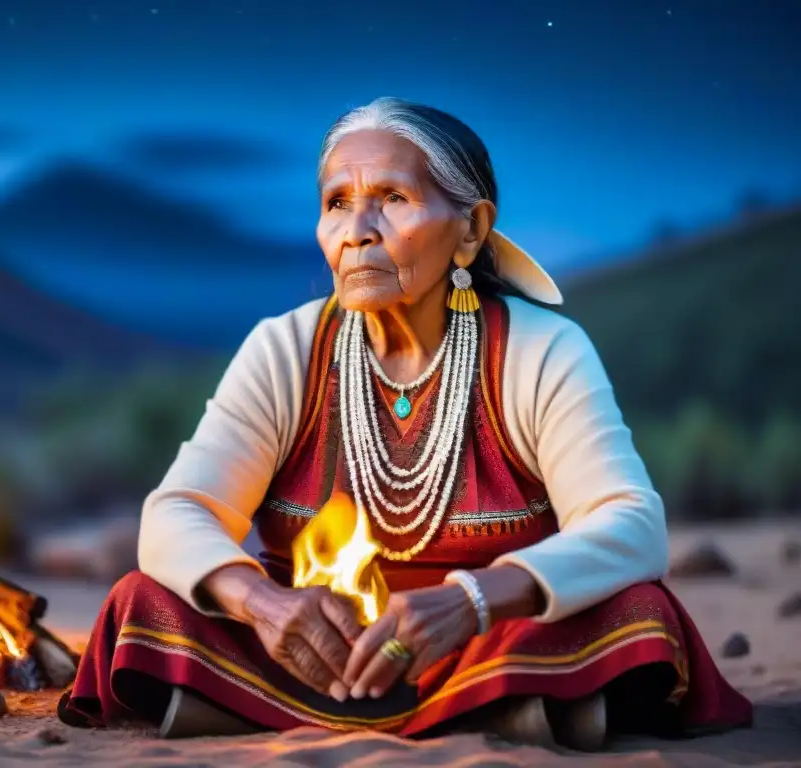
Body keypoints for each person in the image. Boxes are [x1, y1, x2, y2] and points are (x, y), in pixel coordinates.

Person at [58, 98, 752, 750]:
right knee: (142, 602)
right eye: (337, 204)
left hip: (483, 640)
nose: (358, 230)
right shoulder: (285, 348)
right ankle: (521, 716)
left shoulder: (541, 352)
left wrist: (471, 602)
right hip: (308, 652)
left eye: (392, 200)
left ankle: (236, 709)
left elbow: (631, 524)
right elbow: (177, 513)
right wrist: (265, 606)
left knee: (636, 611)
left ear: (472, 229)